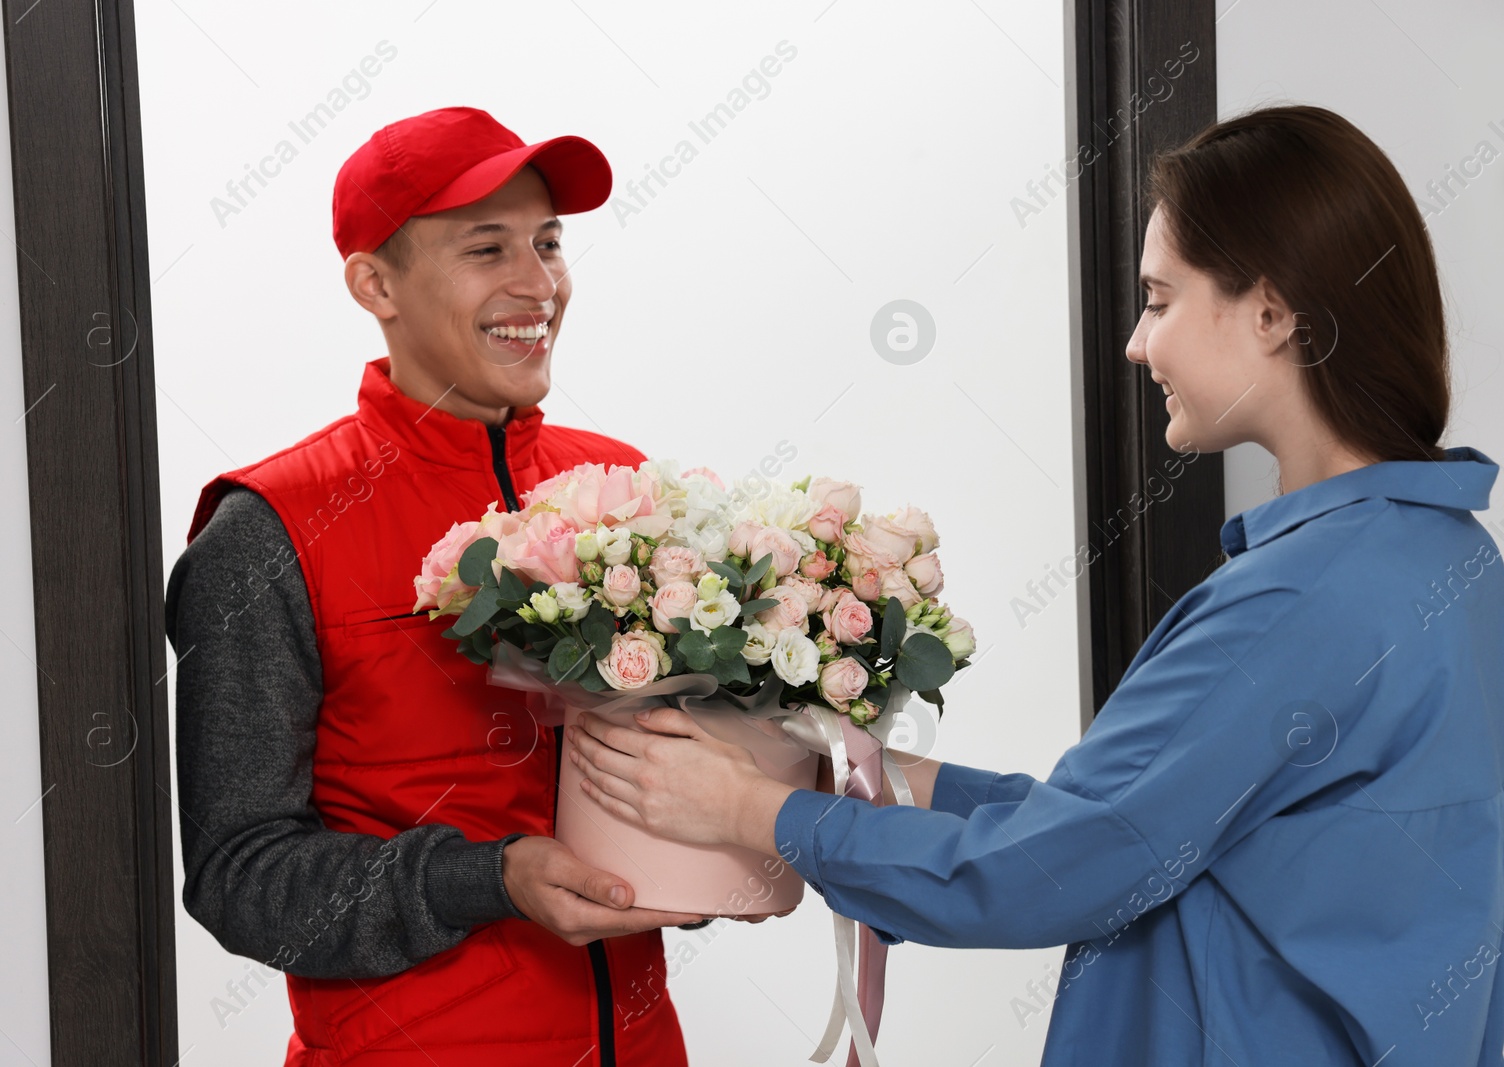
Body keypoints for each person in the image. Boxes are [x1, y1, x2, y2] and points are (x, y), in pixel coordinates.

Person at [566, 104, 1504, 1064]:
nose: (1139, 344)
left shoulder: (1305, 597)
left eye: (1160, 299)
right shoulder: (1445, 558)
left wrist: (753, 813)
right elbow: (1133, 816)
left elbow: (1067, 865)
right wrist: (868, 774)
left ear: (1270, 312)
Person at [166, 107, 716, 1067]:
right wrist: (490, 880)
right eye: (486, 247)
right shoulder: (269, 529)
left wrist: (729, 832)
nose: (537, 284)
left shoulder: (626, 489)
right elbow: (241, 878)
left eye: (548, 243)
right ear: (374, 283)